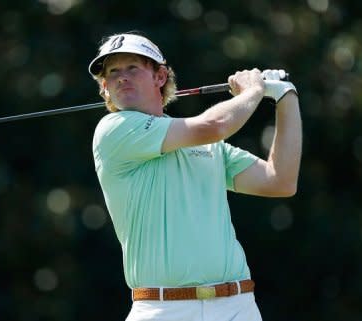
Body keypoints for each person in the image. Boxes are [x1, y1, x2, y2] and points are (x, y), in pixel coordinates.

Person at [88, 32, 301, 321]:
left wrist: (285, 96)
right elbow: (215, 125)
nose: (121, 77)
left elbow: (280, 181)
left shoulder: (206, 145)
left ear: (160, 77)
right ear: (104, 87)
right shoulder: (114, 130)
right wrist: (253, 90)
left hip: (237, 305)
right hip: (163, 308)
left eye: (132, 67)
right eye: (113, 72)